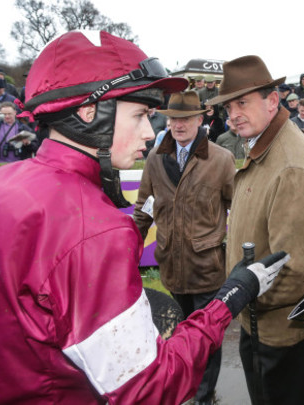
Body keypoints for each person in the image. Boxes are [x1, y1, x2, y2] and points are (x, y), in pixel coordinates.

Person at [0, 30, 288, 405]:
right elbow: (152, 389)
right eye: (141, 115)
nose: (150, 131)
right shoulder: (98, 230)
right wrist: (229, 298)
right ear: (90, 112)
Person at [207, 55, 304, 405]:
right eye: (229, 106)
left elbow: (297, 267)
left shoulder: (289, 164)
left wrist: (243, 301)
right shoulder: (266, 145)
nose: (233, 114)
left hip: (276, 333)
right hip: (260, 325)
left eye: (242, 102)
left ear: (272, 101)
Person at [134, 90, 235, 405]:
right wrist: (127, 249)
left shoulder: (221, 159)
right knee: (177, 336)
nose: (178, 125)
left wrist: (235, 255)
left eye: (186, 118)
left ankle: (204, 397)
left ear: (201, 119)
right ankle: (184, 390)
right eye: (173, 118)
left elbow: (241, 209)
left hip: (208, 269)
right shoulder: (155, 158)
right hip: (172, 267)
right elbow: (144, 209)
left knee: (207, 338)